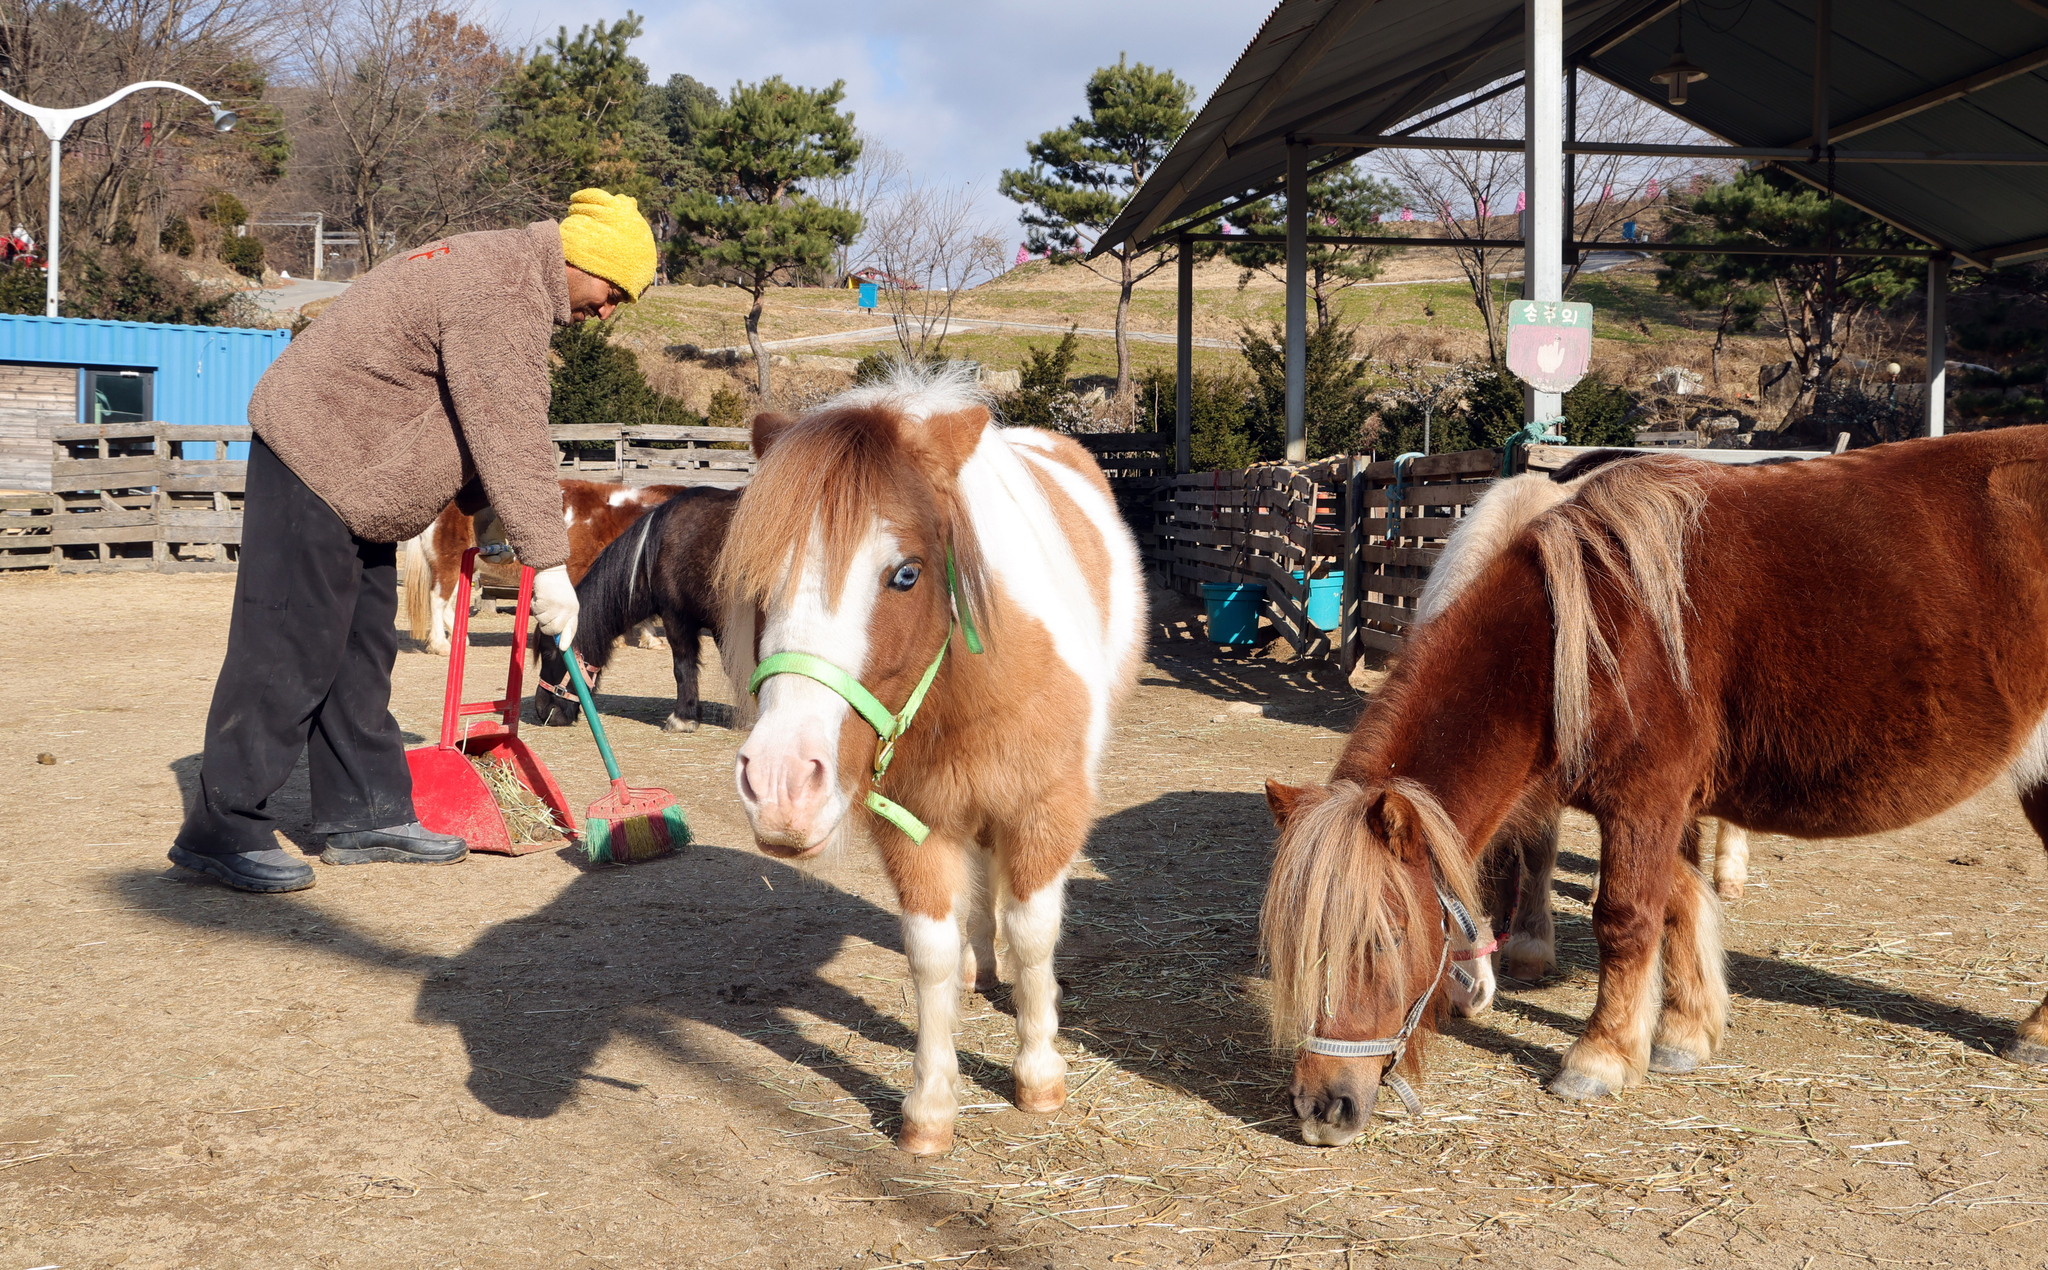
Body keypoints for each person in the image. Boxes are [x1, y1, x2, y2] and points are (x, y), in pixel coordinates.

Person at [170, 189, 658, 893]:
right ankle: (222, 825)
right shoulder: (503, 288)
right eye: (613, 292)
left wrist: (497, 519)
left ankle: (365, 812)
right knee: (289, 641)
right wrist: (549, 564)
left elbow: (467, 418)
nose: (607, 311)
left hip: (362, 476)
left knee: (360, 646)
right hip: (317, 452)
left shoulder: (508, 274)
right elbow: (510, 431)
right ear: (582, 259)